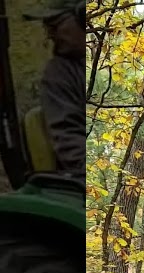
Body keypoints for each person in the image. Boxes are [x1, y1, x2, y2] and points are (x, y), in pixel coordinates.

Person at [24, 0, 86, 184]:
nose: (50, 35)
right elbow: (68, 137)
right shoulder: (60, 73)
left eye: (55, 25)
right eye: (47, 27)